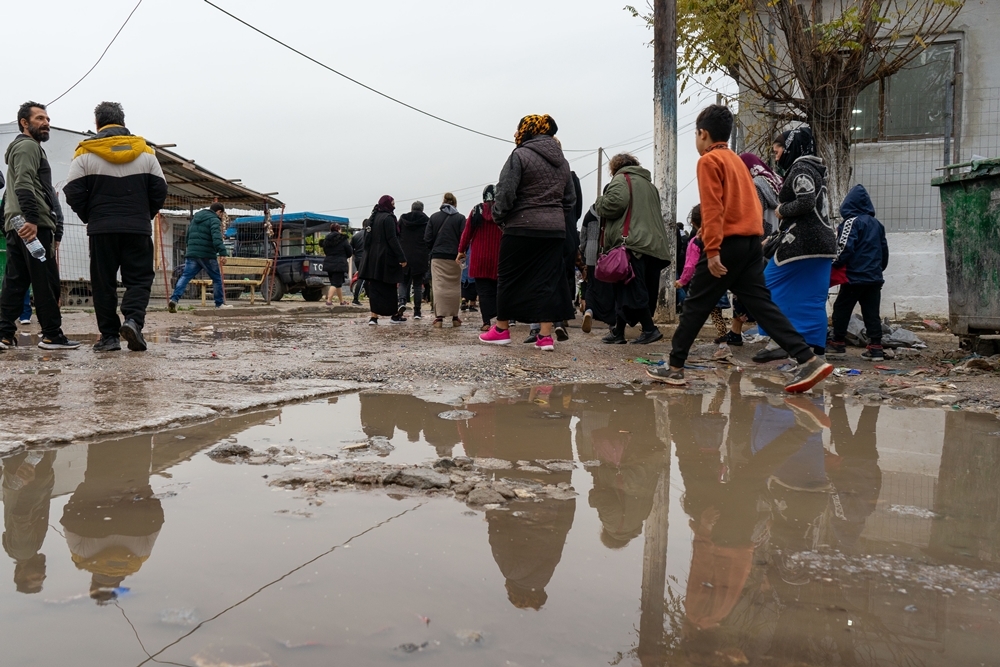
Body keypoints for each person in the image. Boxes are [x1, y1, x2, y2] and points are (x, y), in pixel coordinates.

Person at [648, 105, 832, 392]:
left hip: (727, 243)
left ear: (702, 134)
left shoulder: (709, 161)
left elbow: (712, 208)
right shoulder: (736, 160)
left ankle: (674, 367)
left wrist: (712, 251)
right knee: (762, 304)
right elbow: (752, 205)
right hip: (751, 243)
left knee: (696, 304)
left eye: (695, 135)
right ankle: (807, 359)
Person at [65, 102, 168, 352]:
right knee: (139, 279)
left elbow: (72, 191)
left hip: (102, 230)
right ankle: (133, 321)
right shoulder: (146, 153)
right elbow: (160, 190)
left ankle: (109, 337)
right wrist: (144, 214)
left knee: (103, 283)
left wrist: (92, 215)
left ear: (98, 124)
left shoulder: (85, 153)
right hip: (137, 228)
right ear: (122, 122)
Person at [479, 114, 576, 350]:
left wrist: (500, 217)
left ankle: (501, 329)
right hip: (553, 231)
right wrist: (554, 217)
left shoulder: (519, 156)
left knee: (509, 278)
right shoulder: (562, 162)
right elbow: (570, 199)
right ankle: (545, 337)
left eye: (518, 129)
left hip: (521, 227)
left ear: (529, 130)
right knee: (547, 280)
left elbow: (505, 193)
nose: (515, 134)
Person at [752, 126, 837, 363]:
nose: (776, 155)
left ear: (791, 147)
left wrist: (780, 210)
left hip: (802, 243)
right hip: (823, 243)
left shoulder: (800, 168)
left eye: (778, 149)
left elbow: (805, 202)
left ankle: (778, 340)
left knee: (767, 284)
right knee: (812, 298)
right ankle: (815, 352)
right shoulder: (815, 169)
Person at [0, 102, 79, 350]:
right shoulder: (27, 147)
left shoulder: (23, 148)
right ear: (25, 123)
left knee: (16, 282)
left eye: (47, 119)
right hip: (32, 225)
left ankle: (3, 334)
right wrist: (33, 220)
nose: (46, 123)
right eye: (40, 118)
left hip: (17, 224)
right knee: (46, 281)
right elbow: (24, 184)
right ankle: (52, 336)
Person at [595, 152, 672, 345]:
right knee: (627, 288)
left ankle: (649, 329)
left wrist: (599, 203)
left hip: (633, 243)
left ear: (615, 168)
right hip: (653, 245)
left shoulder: (621, 179)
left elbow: (614, 204)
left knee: (632, 289)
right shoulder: (649, 185)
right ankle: (618, 332)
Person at [828, 184, 889, 361]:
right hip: (874, 277)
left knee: (842, 308)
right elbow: (884, 251)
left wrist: (835, 262)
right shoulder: (878, 225)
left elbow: (844, 247)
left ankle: (837, 343)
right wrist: (879, 269)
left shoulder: (851, 222)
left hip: (854, 277)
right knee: (871, 312)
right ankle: (876, 347)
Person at [674, 205, 730, 351]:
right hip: (718, 281)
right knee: (717, 314)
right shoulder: (719, 238)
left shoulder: (695, 241)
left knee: (690, 314)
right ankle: (724, 343)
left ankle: (686, 344)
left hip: (700, 284)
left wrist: (682, 281)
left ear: (692, 222)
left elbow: (690, 265)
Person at [166, 203, 231, 314]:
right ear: (219, 212)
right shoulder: (214, 220)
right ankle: (219, 304)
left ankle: (174, 300)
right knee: (216, 278)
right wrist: (223, 253)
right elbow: (216, 237)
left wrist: (190, 249)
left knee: (185, 276)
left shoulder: (195, 219)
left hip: (192, 253)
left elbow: (188, 236)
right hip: (207, 254)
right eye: (222, 214)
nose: (221, 217)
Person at [458, 185, 503, 332]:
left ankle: (486, 322)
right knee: (498, 289)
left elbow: (467, 232)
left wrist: (461, 250)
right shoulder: (503, 210)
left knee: (483, 292)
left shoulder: (476, 210)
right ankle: (502, 322)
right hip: (498, 256)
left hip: (479, 257)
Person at [358, 195, 407, 324]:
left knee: (374, 288)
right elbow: (392, 239)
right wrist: (401, 257)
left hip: (372, 260)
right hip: (386, 259)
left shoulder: (371, 220)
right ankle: (395, 315)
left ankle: (373, 317)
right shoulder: (389, 218)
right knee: (390, 287)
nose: (394, 205)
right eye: (393, 203)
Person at [424, 193, 465, 328]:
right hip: (455, 257)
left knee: (439, 286)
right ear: (455, 203)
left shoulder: (434, 217)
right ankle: (455, 317)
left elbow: (427, 238)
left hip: (438, 256)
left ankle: (439, 318)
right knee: (454, 286)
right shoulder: (460, 218)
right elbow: (464, 238)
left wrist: (434, 249)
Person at [397, 201, 430, 319]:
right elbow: (429, 237)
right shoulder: (427, 220)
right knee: (417, 285)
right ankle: (417, 312)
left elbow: (397, 234)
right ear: (422, 209)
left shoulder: (403, 219)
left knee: (403, 282)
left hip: (405, 254)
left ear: (411, 209)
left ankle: (401, 302)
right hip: (420, 256)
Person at [320, 222, 352, 306]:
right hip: (339, 264)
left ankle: (342, 301)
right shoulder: (343, 239)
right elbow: (349, 251)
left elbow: (326, 251)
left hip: (329, 263)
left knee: (338, 284)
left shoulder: (326, 239)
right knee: (335, 283)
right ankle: (329, 301)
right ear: (338, 229)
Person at [349, 225, 366, 305]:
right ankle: (355, 299)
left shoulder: (356, 236)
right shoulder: (370, 234)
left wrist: (355, 254)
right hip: (366, 258)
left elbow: (350, 249)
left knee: (363, 277)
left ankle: (368, 295)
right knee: (363, 278)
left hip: (357, 259)